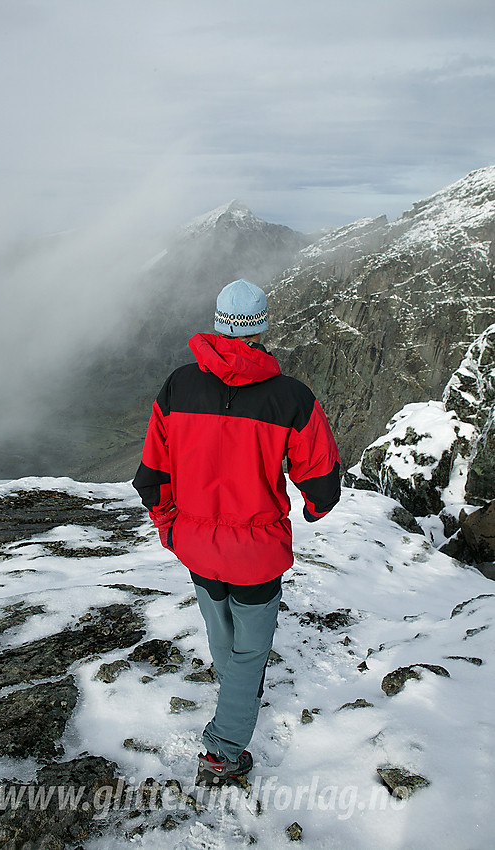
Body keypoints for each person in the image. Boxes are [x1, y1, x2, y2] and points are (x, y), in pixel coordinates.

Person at [133, 278, 340, 785]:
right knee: (250, 648)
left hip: (197, 546)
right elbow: (321, 478)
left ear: (218, 324)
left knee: (219, 630)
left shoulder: (179, 386)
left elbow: (152, 474)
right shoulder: (290, 397)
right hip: (257, 551)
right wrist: (313, 509)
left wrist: (170, 529)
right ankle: (224, 750)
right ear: (262, 326)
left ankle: (236, 695)